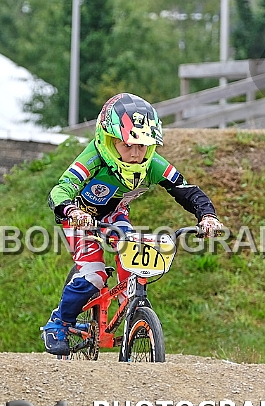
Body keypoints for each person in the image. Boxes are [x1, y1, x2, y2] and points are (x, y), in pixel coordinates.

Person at [42, 92, 225, 356]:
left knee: (134, 266)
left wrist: (207, 215)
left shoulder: (153, 164)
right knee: (93, 275)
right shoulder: (94, 157)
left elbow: (186, 190)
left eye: (143, 145)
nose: (136, 154)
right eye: (128, 145)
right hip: (80, 218)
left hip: (116, 215)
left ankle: (134, 315)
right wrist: (71, 210)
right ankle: (58, 322)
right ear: (108, 139)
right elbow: (61, 189)